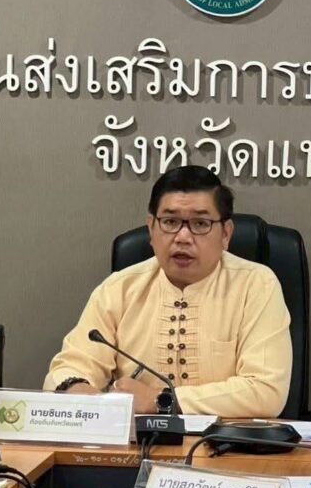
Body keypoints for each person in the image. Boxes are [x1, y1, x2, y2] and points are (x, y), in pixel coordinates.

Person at [43, 165, 292, 417]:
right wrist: (79, 391)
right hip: (137, 440)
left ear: (226, 234)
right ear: (151, 229)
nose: (183, 237)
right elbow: (67, 369)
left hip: (224, 440)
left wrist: (161, 400)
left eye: (200, 223)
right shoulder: (119, 289)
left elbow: (266, 391)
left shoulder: (256, 285)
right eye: (170, 222)